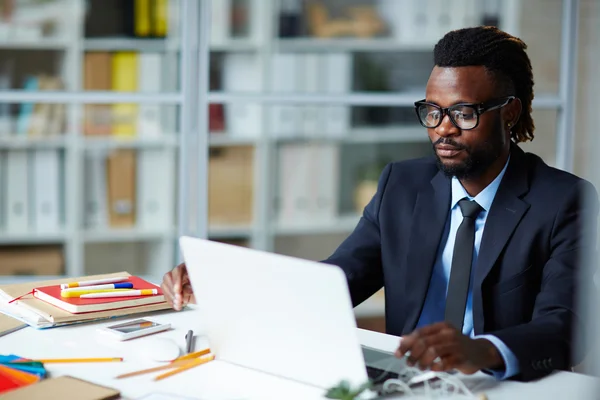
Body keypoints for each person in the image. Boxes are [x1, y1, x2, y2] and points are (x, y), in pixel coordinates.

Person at [161, 26, 598, 382]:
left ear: (509, 112)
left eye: (463, 113)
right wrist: (227, 288)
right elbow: (339, 279)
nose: (442, 130)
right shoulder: (402, 185)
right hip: (406, 381)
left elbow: (566, 328)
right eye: (432, 111)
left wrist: (479, 351)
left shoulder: (563, 202)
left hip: (497, 384)